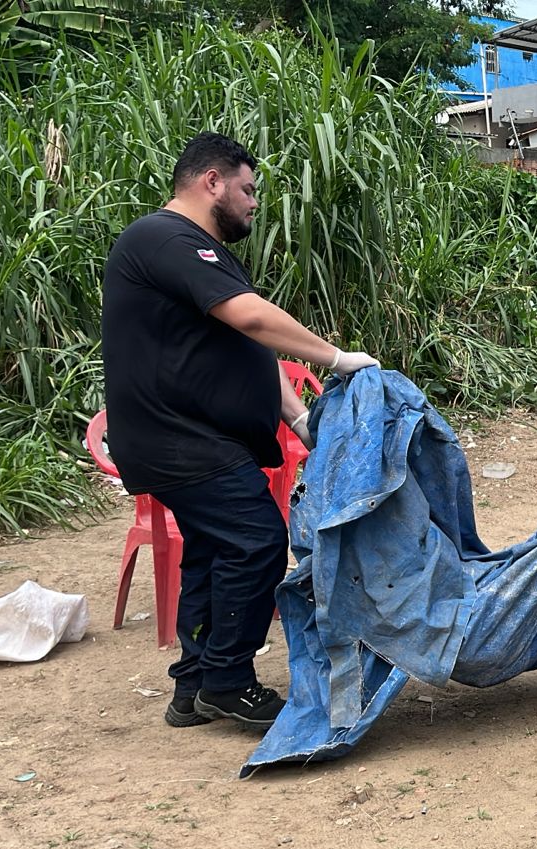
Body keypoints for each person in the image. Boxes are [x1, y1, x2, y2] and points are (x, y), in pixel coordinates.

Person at [102, 132, 379, 731]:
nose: (254, 203)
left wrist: (299, 420)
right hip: (177, 438)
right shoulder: (165, 237)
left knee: (212, 550)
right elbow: (251, 316)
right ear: (212, 182)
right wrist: (335, 357)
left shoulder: (196, 251)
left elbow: (243, 344)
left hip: (192, 438)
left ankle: (195, 684)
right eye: (248, 189)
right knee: (255, 540)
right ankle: (229, 681)